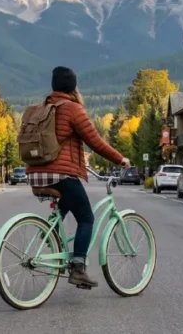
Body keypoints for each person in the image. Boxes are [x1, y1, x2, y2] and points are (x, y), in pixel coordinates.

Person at [25, 66, 130, 289]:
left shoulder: (40, 108)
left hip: (35, 174)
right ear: (73, 86)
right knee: (86, 219)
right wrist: (121, 159)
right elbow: (95, 142)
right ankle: (78, 268)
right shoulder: (72, 109)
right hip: (62, 174)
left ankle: (53, 244)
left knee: (63, 209)